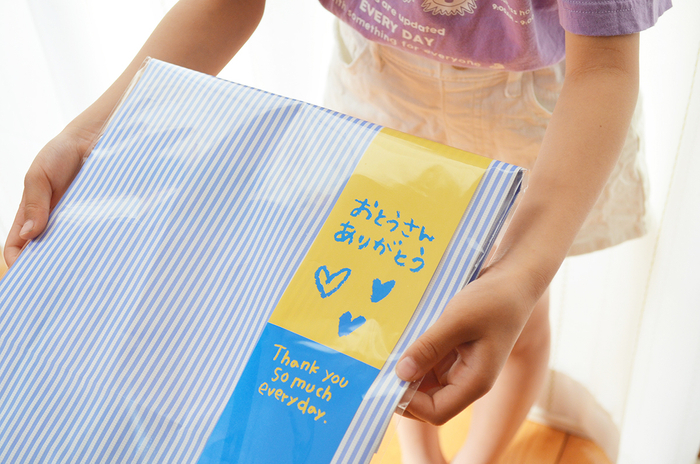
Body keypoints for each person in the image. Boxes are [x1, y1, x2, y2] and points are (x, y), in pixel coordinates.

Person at [3, 0, 670, 463]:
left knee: (517, 321)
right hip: (379, 88)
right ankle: (423, 458)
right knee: (398, 317)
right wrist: (96, 130)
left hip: (538, 113)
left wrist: (523, 274)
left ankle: (479, 459)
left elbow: (605, 68)